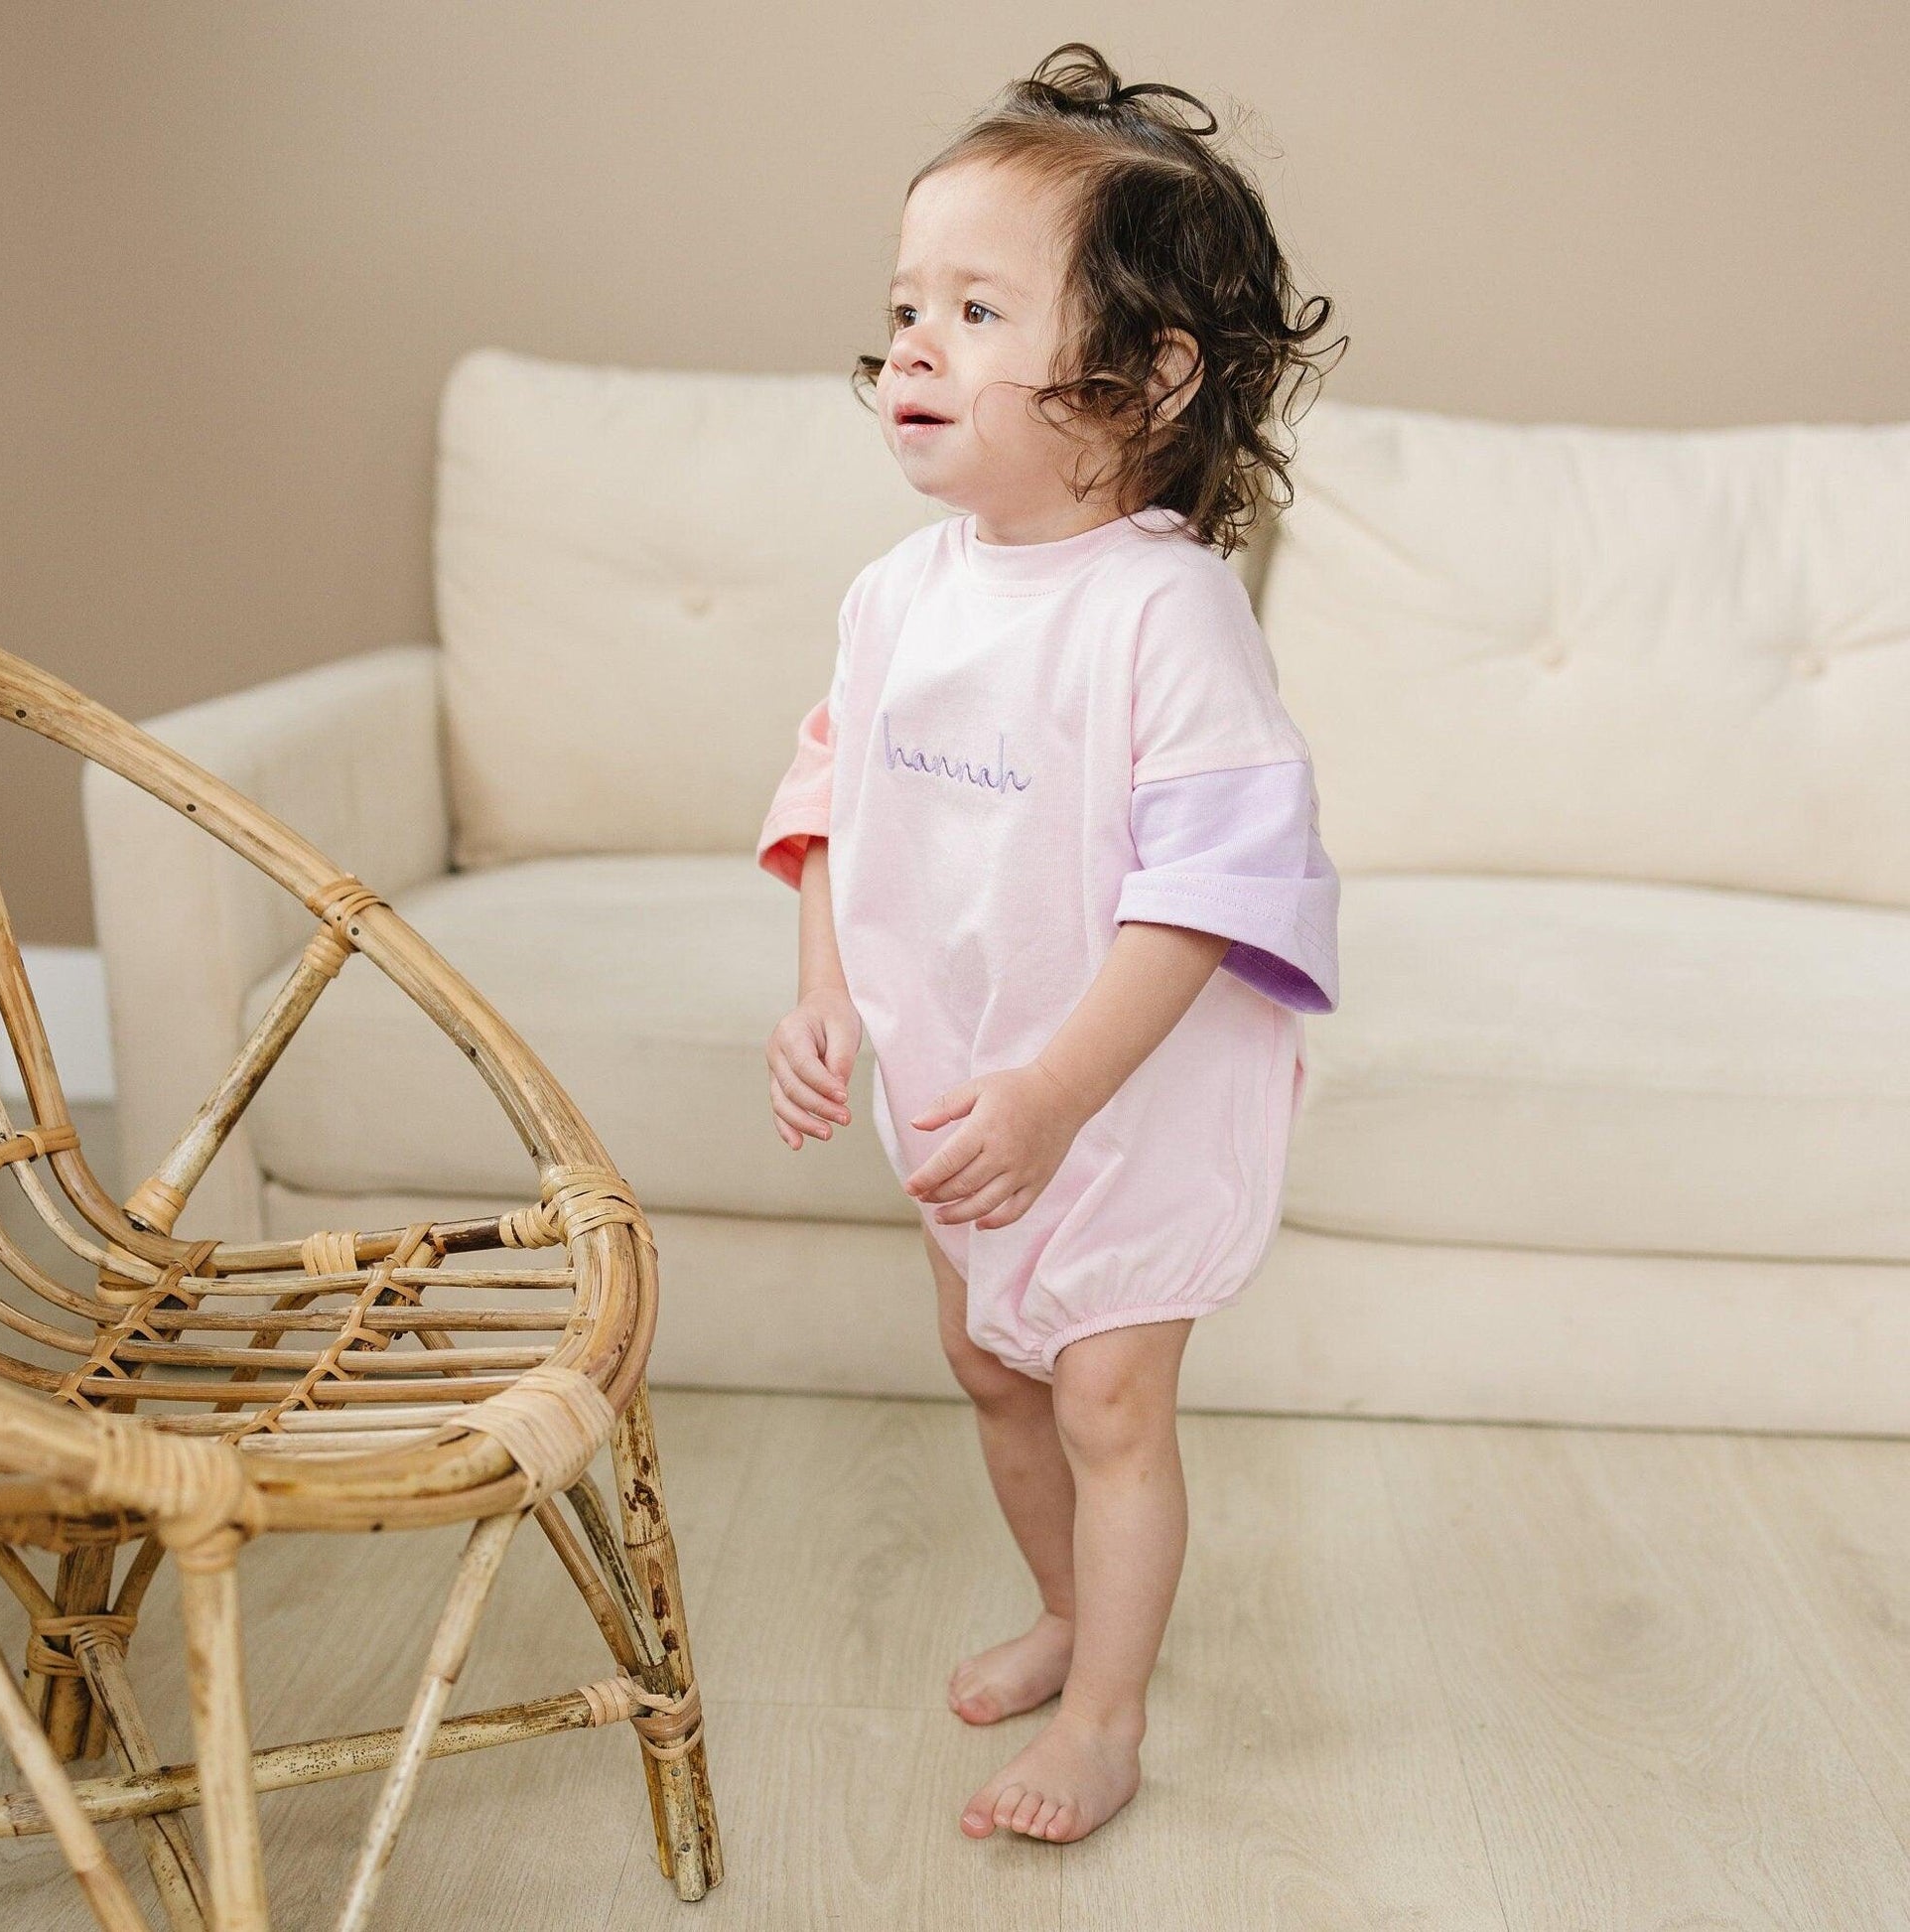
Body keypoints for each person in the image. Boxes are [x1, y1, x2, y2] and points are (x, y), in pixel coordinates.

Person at [755, 41, 1345, 1847]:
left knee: (1101, 1394)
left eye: (980, 307)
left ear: (1146, 375)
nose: (915, 343)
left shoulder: (1164, 613)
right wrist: (824, 994)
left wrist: (1060, 1095)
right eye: (905, 304)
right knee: (993, 1367)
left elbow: (1213, 891)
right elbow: (834, 804)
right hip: (964, 1075)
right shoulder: (893, 597)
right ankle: (1071, 1607)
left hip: (1120, 1086)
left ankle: (1108, 1712)